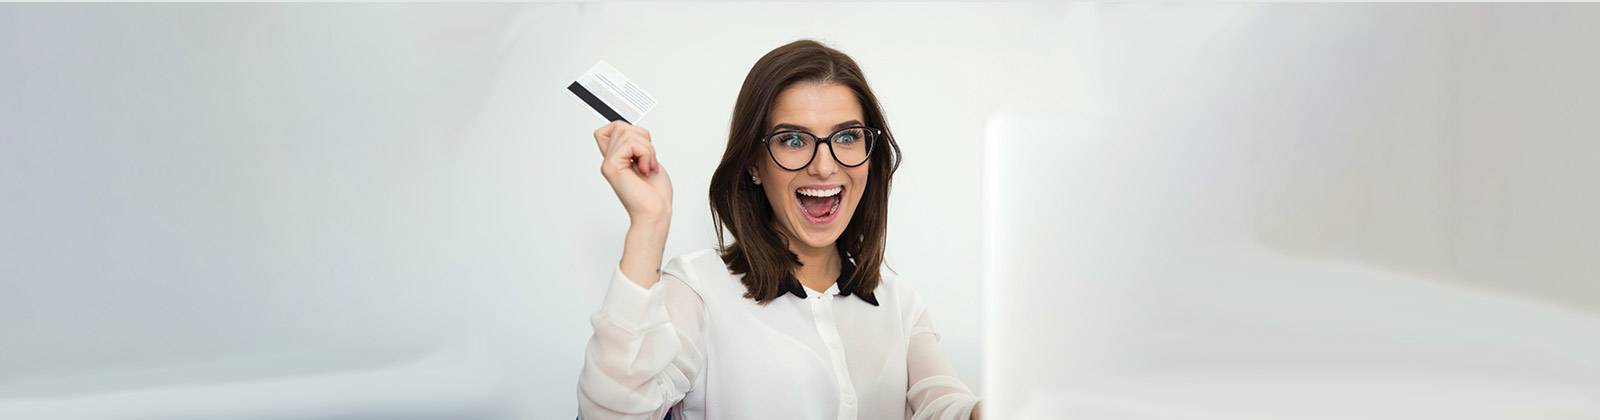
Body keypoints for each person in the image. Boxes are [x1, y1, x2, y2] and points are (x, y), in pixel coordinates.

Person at [577, 39, 982, 420]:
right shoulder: (700, 288)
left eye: (846, 136)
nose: (824, 166)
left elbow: (948, 406)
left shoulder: (901, 304)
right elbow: (612, 412)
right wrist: (649, 220)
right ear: (754, 162)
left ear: (869, 156)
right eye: (792, 140)